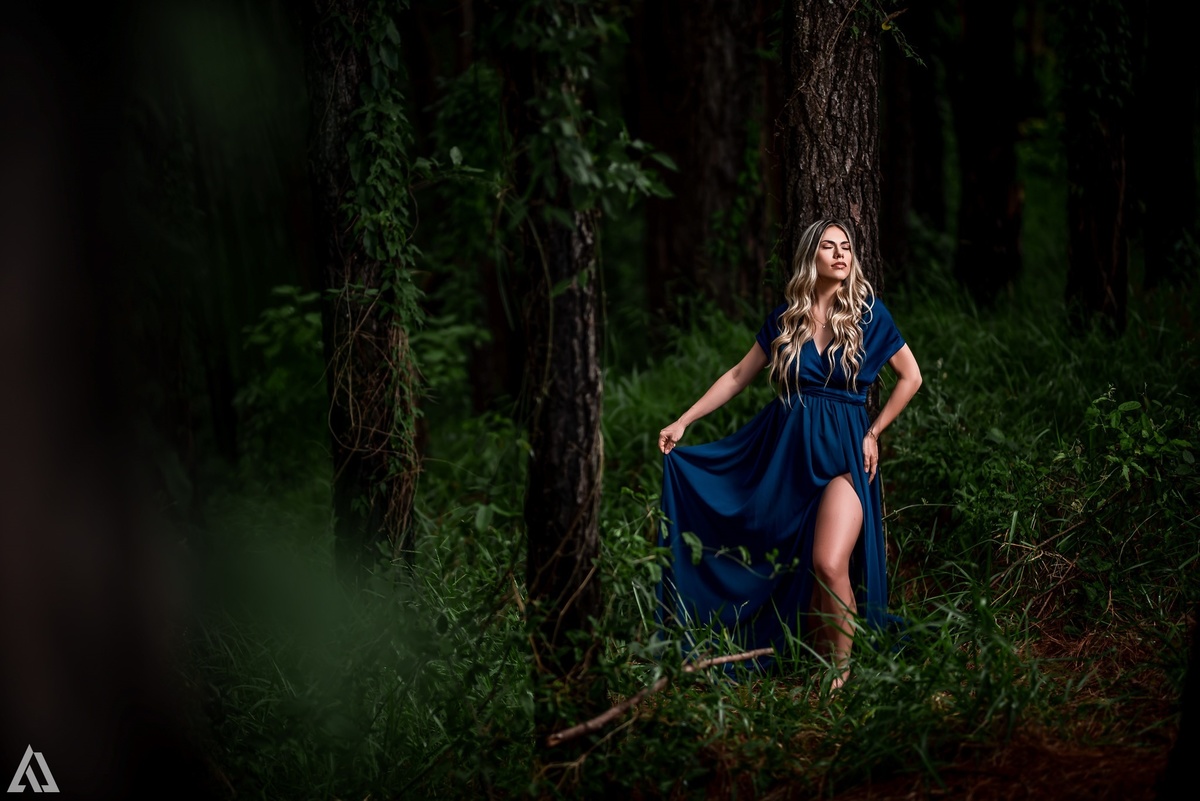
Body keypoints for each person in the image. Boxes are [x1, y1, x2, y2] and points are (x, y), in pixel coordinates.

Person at [657, 219, 922, 688]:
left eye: (846, 247)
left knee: (828, 563)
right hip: (790, 460)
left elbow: (911, 376)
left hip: (845, 459)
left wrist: (874, 432)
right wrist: (684, 420)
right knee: (791, 565)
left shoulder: (867, 314)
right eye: (829, 246)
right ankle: (811, 652)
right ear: (810, 256)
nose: (840, 255)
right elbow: (738, 376)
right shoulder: (787, 319)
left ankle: (840, 677)